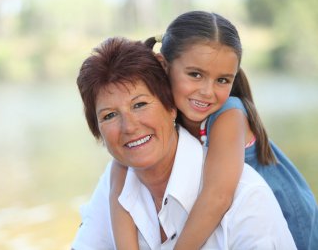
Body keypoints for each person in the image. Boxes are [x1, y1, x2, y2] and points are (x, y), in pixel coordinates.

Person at [109, 11, 318, 250]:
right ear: (163, 65)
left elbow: (217, 197)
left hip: (287, 218)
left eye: (222, 80)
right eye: (195, 75)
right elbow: (119, 186)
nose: (208, 92)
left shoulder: (228, 113)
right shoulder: (161, 111)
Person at [71, 36, 296, 249]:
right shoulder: (114, 184)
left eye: (140, 104)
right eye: (109, 115)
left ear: (171, 106)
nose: (128, 127)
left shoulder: (246, 198)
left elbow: (219, 196)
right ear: (97, 130)